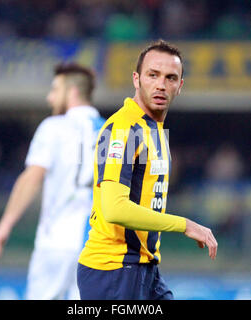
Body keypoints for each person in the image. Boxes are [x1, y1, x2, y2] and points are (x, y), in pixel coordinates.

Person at [77, 40, 218, 300]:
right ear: (136, 79)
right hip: (113, 270)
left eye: (170, 77)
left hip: (145, 268)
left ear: (180, 86)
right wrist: (184, 225)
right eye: (153, 75)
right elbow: (114, 208)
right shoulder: (124, 129)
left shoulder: (154, 130)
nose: (161, 84)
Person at [0, 62, 105, 300]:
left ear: (72, 92)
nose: (50, 98)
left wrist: (4, 226)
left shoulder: (53, 127)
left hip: (57, 243)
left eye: (54, 90)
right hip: (99, 247)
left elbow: (31, 178)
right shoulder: (110, 131)